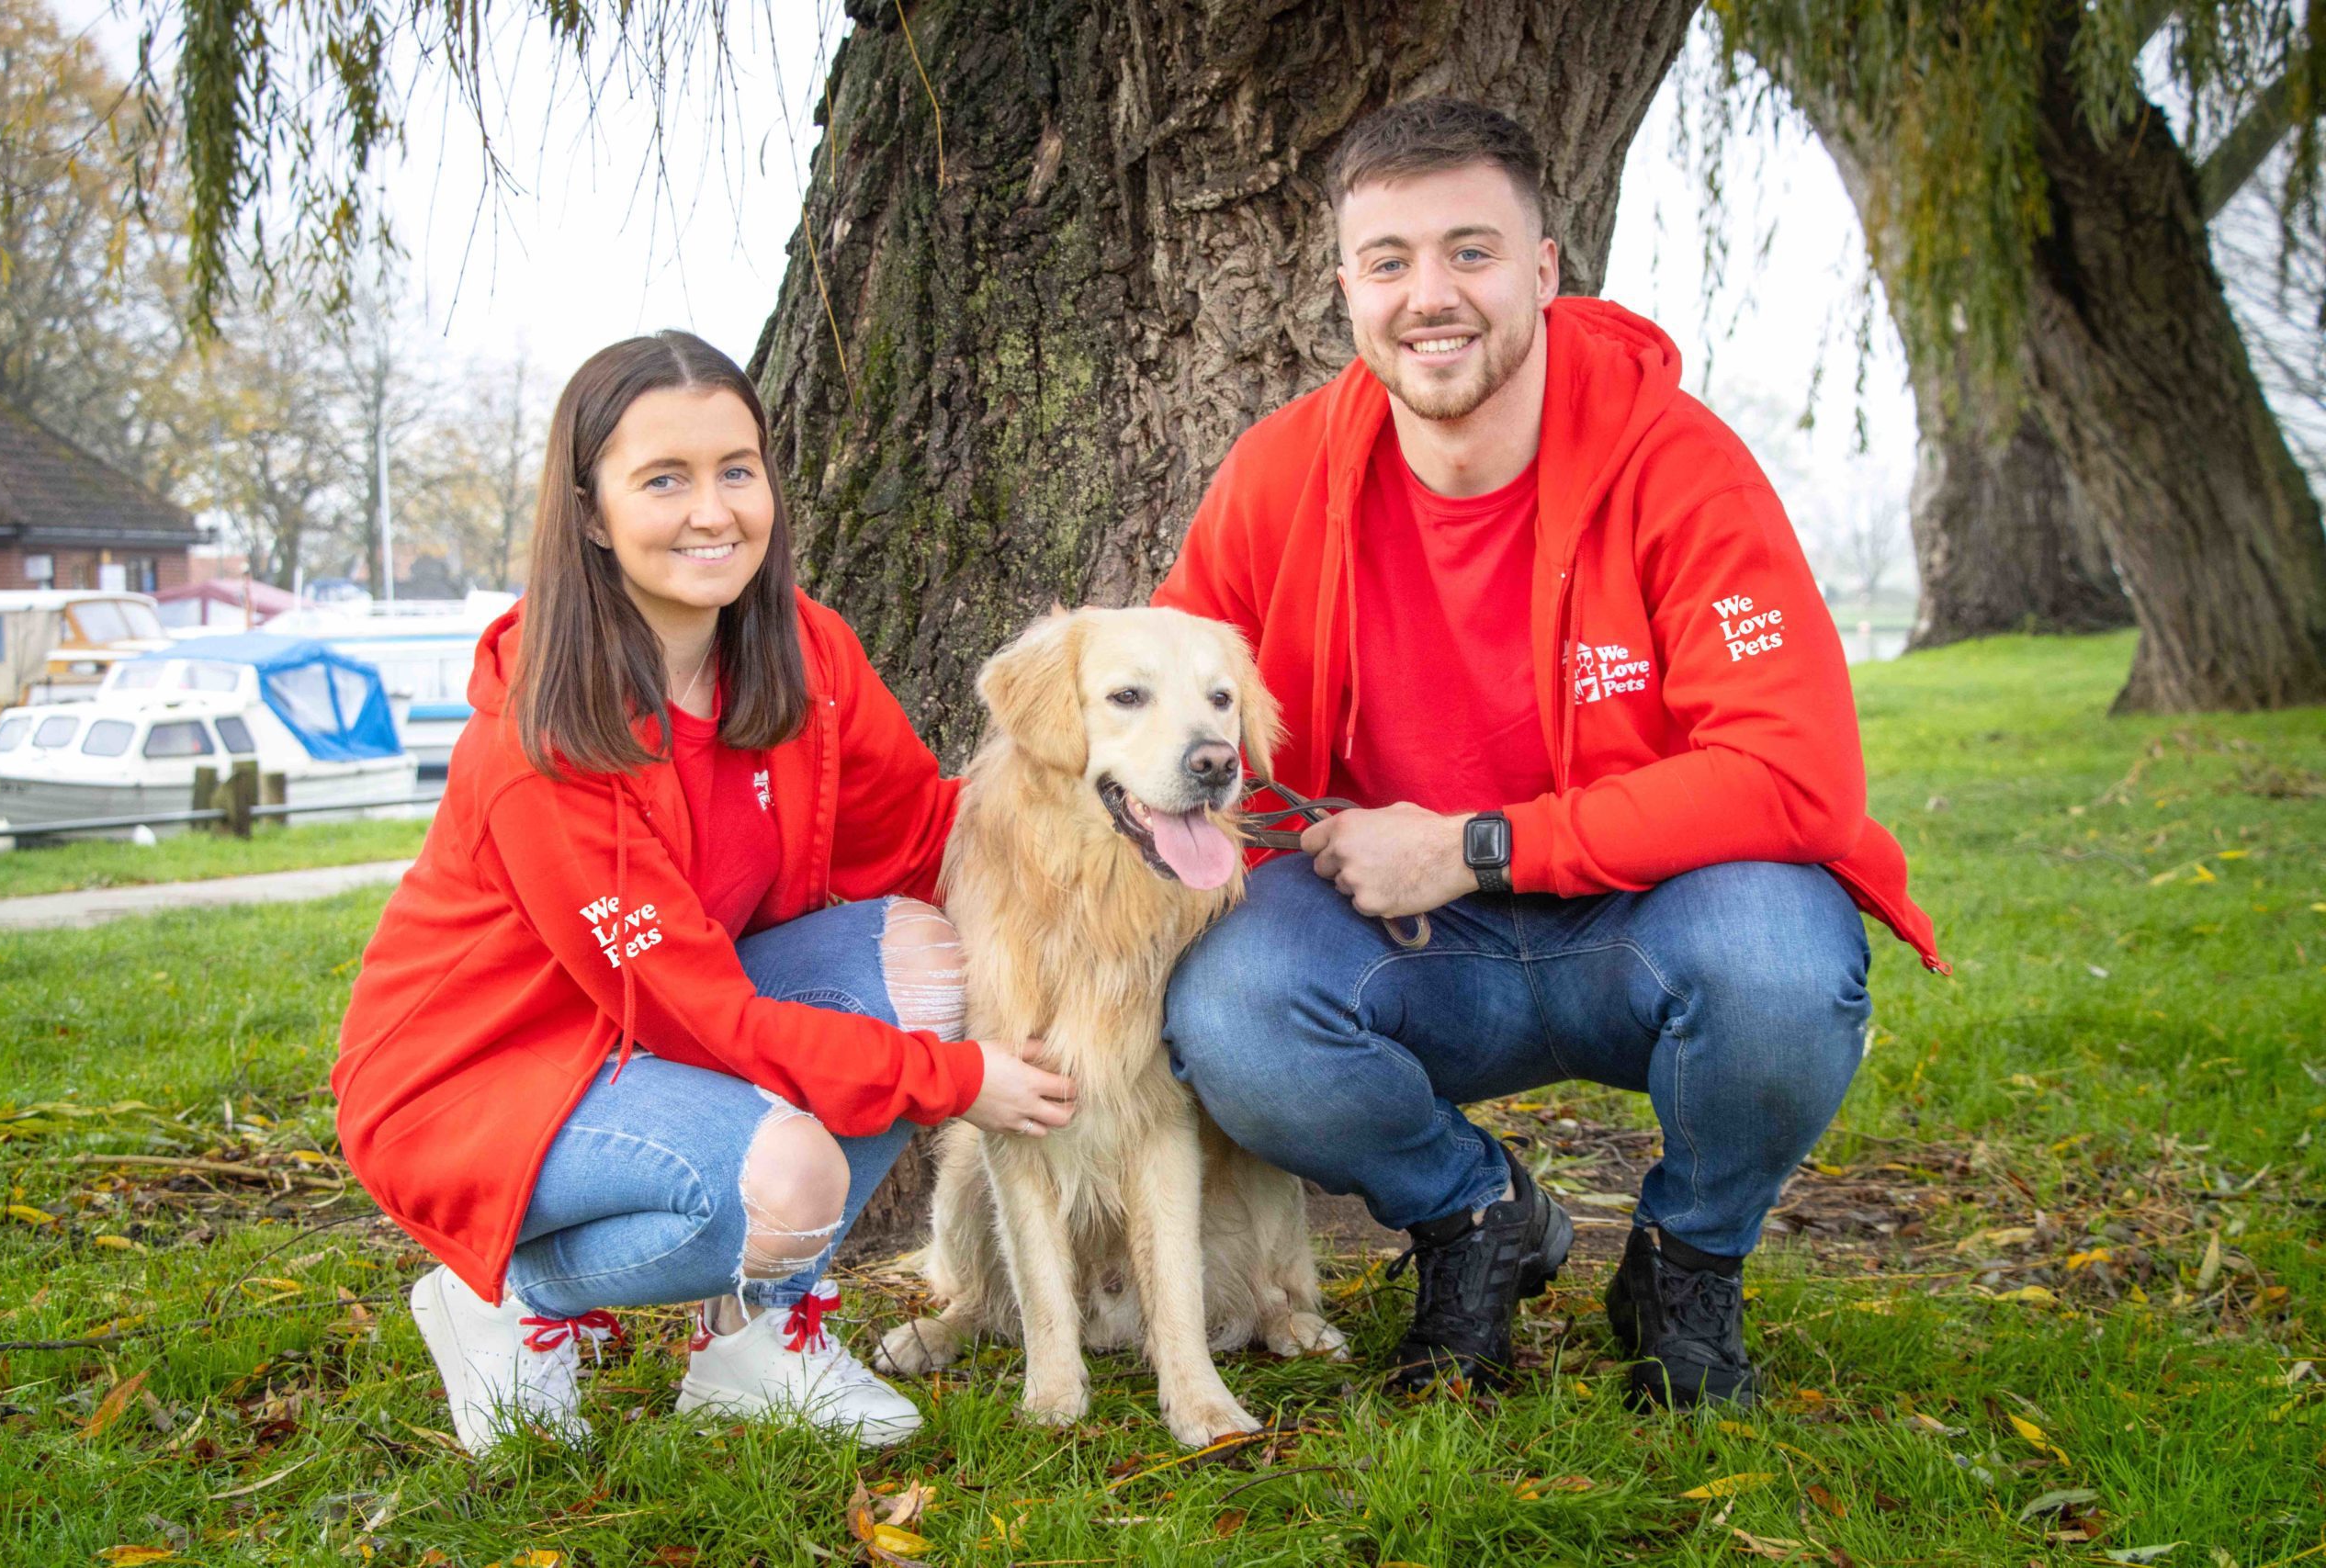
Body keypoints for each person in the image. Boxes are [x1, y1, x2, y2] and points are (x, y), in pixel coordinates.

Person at [1155, 100, 1945, 1410]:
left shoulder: (1677, 464)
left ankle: (1688, 1260)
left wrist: (1478, 844)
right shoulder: (1280, 473)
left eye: (1471, 250)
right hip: (1409, 946)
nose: (1430, 296)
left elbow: (1798, 775)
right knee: (1230, 1005)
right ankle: (1474, 1219)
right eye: (1389, 260)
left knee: (1785, 966)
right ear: (1346, 284)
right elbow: (1175, 712)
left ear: (1545, 268)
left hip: (1648, 916)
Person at [333, 332, 1076, 1453]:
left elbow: (931, 840)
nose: (712, 511)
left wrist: (1114, 847)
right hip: (483, 1075)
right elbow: (701, 1014)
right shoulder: (547, 730)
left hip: (658, 1024)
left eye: (736, 470)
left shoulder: (803, 654)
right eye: (663, 480)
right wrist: (955, 1079)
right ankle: (505, 1298)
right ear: (591, 513)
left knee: (928, 956)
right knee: (783, 1172)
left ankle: (750, 1344)